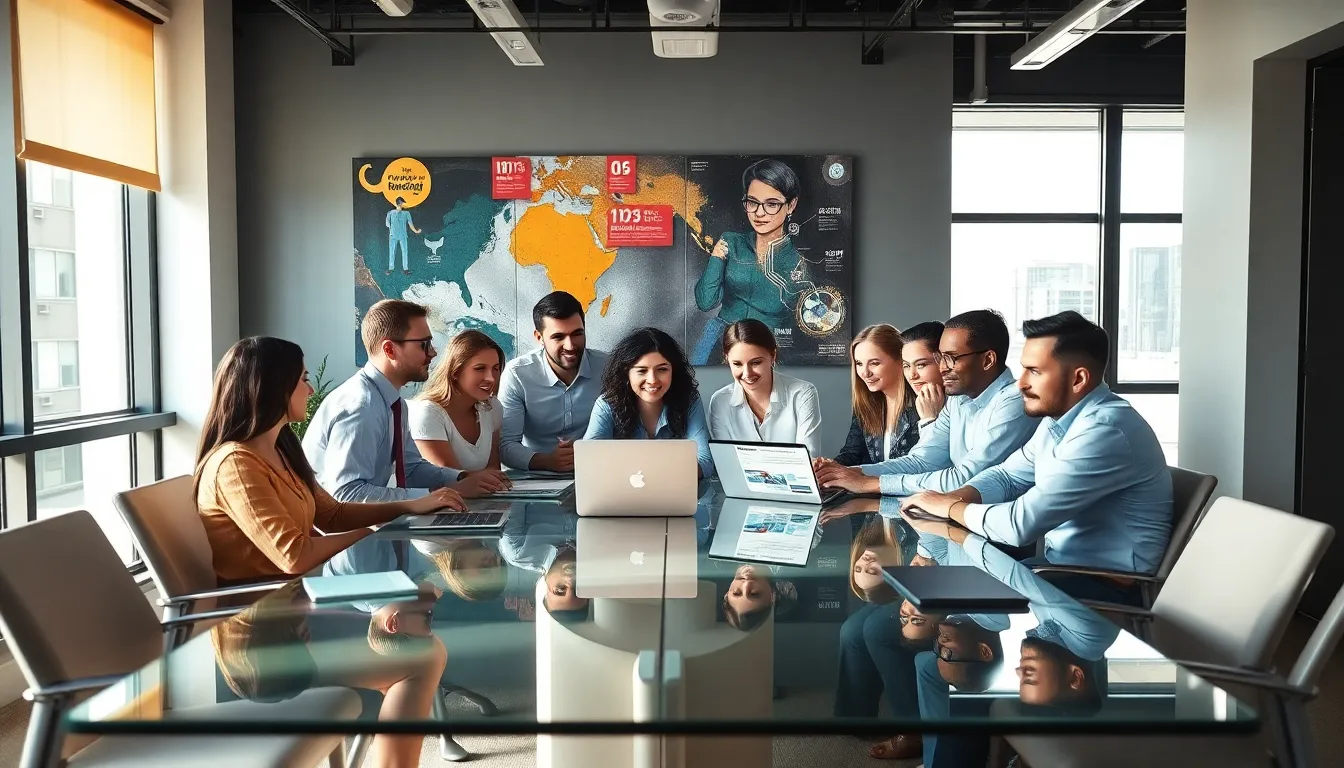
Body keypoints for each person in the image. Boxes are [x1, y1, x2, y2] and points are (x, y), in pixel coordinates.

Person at [901, 311, 1174, 605]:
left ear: (1078, 379)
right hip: (1058, 572)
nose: (1021, 384)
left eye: (1035, 371)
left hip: (1105, 591)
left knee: (942, 596)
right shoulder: (1059, 421)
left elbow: (1021, 525)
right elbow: (1007, 475)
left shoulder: (1104, 431)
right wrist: (957, 495)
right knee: (921, 587)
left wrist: (949, 506)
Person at [194, 336, 462, 583]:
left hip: (298, 602)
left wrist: (413, 506)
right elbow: (295, 557)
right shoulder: (235, 466)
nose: (310, 391)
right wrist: (367, 534)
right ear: (274, 388)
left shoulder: (283, 449)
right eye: (303, 379)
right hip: (257, 616)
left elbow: (332, 515)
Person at [212, 582, 446, 768]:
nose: (310, 640)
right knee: (423, 656)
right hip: (260, 639)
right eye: (305, 636)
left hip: (256, 633)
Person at [303, 299, 508, 505]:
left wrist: (462, 478)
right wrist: (434, 496)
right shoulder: (362, 406)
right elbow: (346, 494)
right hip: (349, 533)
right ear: (390, 350)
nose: (433, 353)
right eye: (424, 345)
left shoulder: (394, 402)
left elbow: (410, 469)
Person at [817, 310, 1039, 497]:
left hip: (999, 536)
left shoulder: (1014, 401)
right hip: (954, 521)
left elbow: (966, 478)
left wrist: (870, 483)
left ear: (987, 360)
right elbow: (920, 462)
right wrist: (847, 473)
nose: (942, 368)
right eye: (940, 358)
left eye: (951, 358)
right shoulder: (957, 400)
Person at [691, 159, 810, 365]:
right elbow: (705, 302)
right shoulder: (731, 242)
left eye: (771, 204)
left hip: (769, 343)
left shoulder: (799, 259)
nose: (759, 213)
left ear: (791, 205)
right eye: (752, 202)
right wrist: (716, 258)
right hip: (721, 336)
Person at [498, 291, 610, 472]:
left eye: (577, 334)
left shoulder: (609, 368)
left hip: (598, 472)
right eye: (558, 337)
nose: (570, 346)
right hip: (535, 480)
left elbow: (626, 431)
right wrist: (546, 461)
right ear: (539, 337)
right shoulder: (517, 375)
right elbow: (505, 445)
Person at [584, 327, 714, 479]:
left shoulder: (689, 400)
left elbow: (705, 461)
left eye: (662, 369)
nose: (652, 380)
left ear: (674, 371)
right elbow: (589, 460)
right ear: (627, 373)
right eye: (641, 371)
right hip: (621, 495)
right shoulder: (606, 404)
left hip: (673, 494)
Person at [707, 319, 822, 454]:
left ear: (773, 356)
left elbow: (809, 458)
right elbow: (726, 460)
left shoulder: (802, 394)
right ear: (727, 359)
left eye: (755, 362)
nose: (747, 374)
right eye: (737, 364)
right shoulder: (720, 401)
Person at [815, 324, 921, 468]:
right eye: (859, 363)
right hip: (870, 489)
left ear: (900, 361)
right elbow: (852, 454)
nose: (865, 373)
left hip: (911, 490)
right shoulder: (866, 406)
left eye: (874, 363)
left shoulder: (923, 405)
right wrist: (830, 466)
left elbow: (920, 465)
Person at [409, 330, 509, 474]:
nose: (491, 378)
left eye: (495, 369)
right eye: (480, 368)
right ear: (455, 371)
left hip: (480, 496)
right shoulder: (429, 412)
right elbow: (450, 480)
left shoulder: (492, 408)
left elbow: (493, 471)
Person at [899, 321, 948, 429]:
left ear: (944, 360)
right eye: (906, 366)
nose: (912, 376)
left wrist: (930, 419)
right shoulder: (906, 411)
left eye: (921, 365)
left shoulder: (966, 405)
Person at [386, 196, 421, 275]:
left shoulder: (406, 213)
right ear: (400, 203)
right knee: (392, 251)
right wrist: (392, 230)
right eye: (402, 203)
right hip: (393, 235)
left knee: (404, 251)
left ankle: (405, 269)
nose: (402, 204)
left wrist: (416, 231)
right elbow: (387, 224)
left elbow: (410, 223)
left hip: (402, 235)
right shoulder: (390, 213)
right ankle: (391, 268)